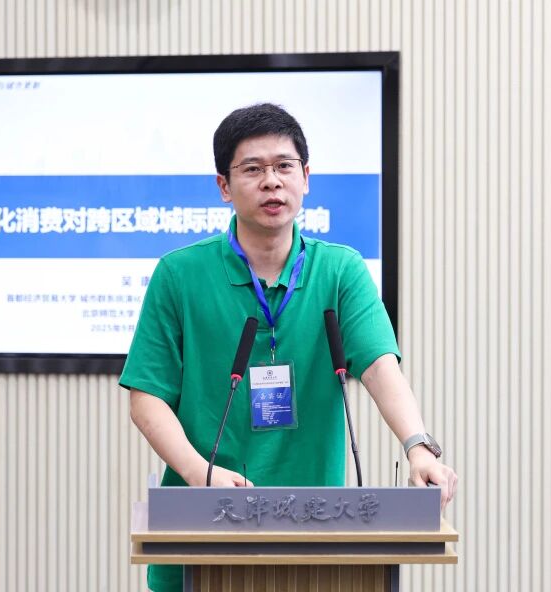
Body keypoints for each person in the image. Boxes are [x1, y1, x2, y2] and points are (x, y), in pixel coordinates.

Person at [119, 103, 458, 592]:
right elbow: (146, 397)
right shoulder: (179, 275)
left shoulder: (340, 270)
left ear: (306, 177)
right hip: (202, 528)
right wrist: (201, 474)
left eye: (284, 166)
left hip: (320, 537)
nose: (272, 182)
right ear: (223, 186)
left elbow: (380, 367)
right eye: (252, 169)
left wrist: (418, 447)